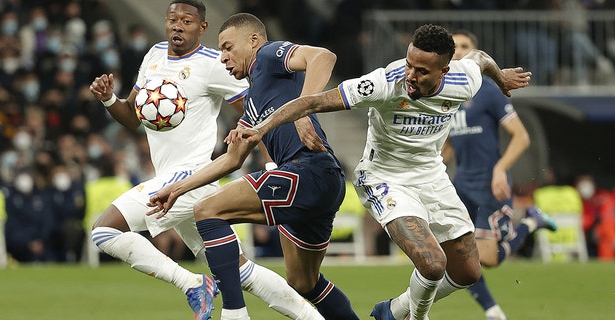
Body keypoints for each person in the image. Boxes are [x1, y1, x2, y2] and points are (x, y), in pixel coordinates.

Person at [231, 24, 533, 320]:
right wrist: (263, 128)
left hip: (431, 176)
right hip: (384, 178)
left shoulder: (464, 80)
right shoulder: (385, 82)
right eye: (410, 64)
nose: (411, 76)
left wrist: (500, 77)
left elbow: (479, 58)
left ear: (444, 71)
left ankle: (394, 311)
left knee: (468, 272)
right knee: (432, 263)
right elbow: (315, 101)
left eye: (422, 71)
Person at [88, 2, 324, 320]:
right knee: (239, 270)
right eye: (172, 19)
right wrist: (109, 99)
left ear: (202, 27)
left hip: (192, 175)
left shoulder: (214, 64)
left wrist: (271, 164)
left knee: (104, 231)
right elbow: (133, 117)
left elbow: (259, 112)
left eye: (186, 21)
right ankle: (313, 318)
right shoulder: (154, 55)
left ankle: (193, 284)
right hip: (173, 178)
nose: (177, 26)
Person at [148, 12, 360, 320]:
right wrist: (176, 189)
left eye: (227, 47)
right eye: (220, 51)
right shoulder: (252, 103)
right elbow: (232, 159)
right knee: (303, 282)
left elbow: (323, 56)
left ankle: (235, 313)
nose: (223, 57)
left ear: (253, 40)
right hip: (321, 181)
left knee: (208, 211)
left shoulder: (268, 56)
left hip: (309, 170)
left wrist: (303, 109)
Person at [442, 30, 558, 320]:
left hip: (489, 186)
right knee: (458, 257)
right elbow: (448, 146)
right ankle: (493, 312)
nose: (458, 51)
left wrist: (499, 169)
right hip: (461, 186)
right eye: (453, 47)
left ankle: (531, 220)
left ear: (476, 54)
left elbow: (520, 136)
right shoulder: (447, 95)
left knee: (488, 259)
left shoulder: (487, 91)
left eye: (465, 46)